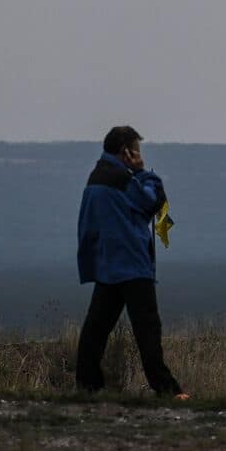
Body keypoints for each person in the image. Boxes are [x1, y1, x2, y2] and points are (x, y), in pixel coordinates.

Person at [76, 126, 186, 399]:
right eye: (137, 151)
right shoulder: (123, 179)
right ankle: (167, 389)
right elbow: (152, 200)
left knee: (96, 329)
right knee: (148, 329)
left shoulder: (95, 178)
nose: (139, 156)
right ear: (126, 152)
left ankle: (88, 386)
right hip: (133, 265)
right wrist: (143, 173)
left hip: (107, 265)